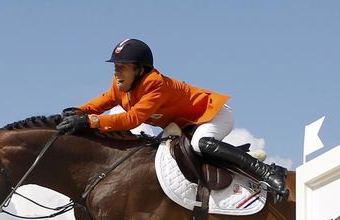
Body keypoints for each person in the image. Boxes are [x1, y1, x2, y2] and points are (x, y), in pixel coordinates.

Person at [56, 38, 288, 199]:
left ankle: (267, 172)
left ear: (139, 69)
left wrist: (92, 122)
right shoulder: (120, 83)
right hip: (182, 125)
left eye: (123, 67)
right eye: (116, 67)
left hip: (212, 115)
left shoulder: (154, 83)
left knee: (200, 144)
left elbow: (134, 119)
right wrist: (79, 111)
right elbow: (105, 100)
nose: (117, 72)